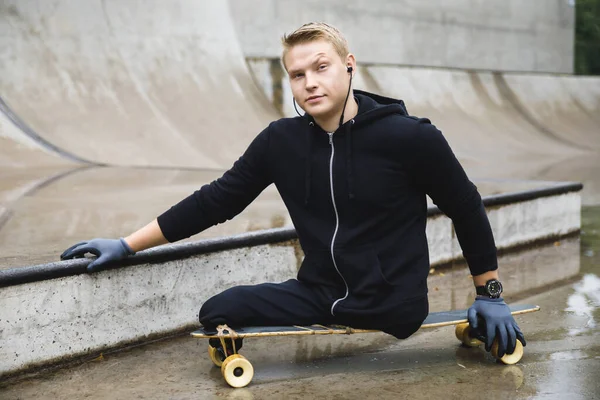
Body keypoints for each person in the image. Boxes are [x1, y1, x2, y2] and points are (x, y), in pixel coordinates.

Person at [61, 22, 525, 358]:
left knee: (228, 311)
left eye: (320, 67)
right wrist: (127, 244)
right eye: (297, 75)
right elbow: (216, 201)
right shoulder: (280, 142)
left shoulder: (410, 137)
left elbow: (465, 207)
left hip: (394, 303)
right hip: (319, 295)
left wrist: (491, 293)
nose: (310, 82)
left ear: (348, 66)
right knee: (217, 310)